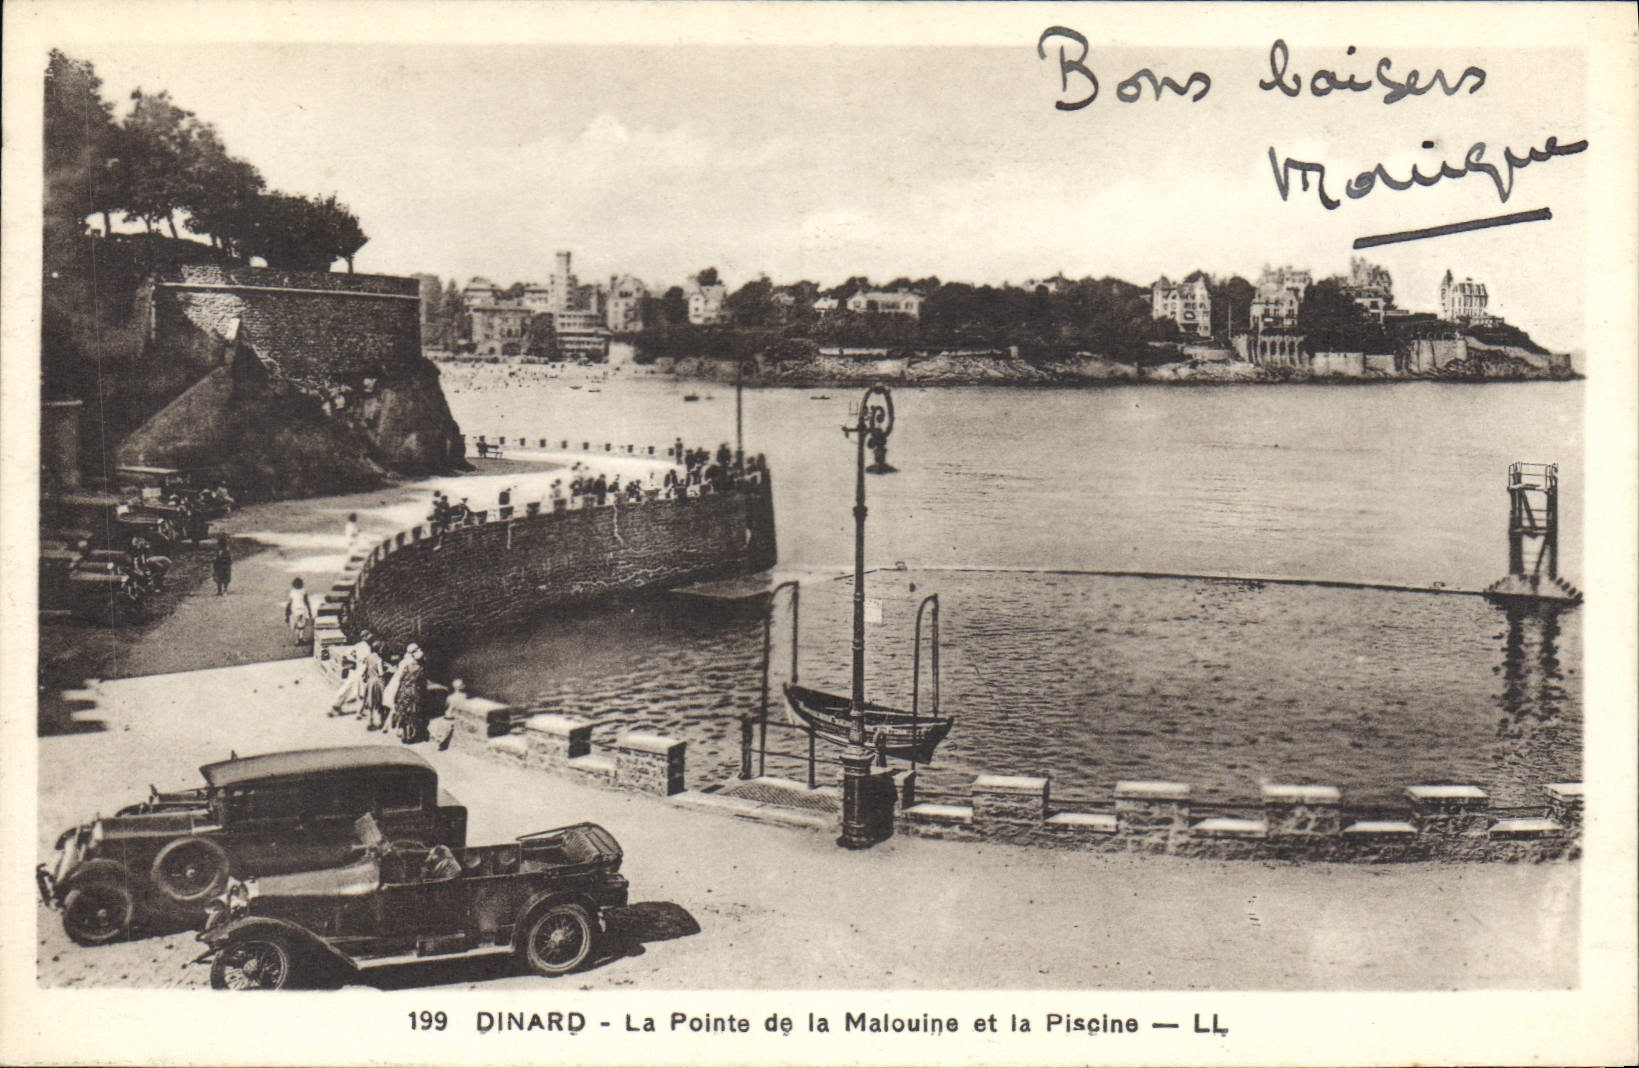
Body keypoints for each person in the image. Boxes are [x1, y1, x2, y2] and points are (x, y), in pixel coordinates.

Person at [395, 644, 428, 744]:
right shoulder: (420, 668)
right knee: (412, 713)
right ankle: (410, 735)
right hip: (414, 691)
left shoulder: (407, 666)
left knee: (404, 712)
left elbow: (401, 679)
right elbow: (422, 682)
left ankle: (404, 734)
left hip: (404, 691)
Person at [284, 578, 314, 646]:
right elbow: (306, 602)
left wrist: (287, 613)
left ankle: (297, 640)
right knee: (302, 625)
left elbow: (289, 603)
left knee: (297, 626)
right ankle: (301, 638)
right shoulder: (304, 591)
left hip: (294, 610)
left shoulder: (292, 592)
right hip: (302, 610)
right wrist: (309, 611)